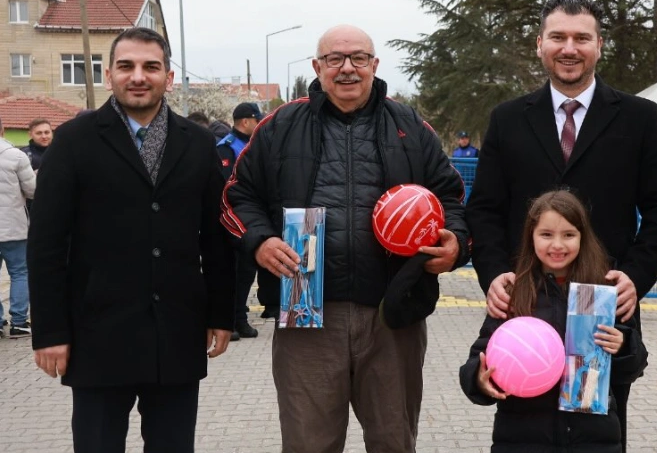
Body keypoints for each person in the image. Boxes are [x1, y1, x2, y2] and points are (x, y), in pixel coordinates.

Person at [220, 24, 470, 453]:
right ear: (317, 68)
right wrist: (260, 242)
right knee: (308, 444)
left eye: (358, 58)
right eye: (334, 59)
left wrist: (456, 243)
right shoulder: (281, 124)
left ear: (375, 64)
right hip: (306, 315)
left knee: (394, 441)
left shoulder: (409, 124)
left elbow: (453, 199)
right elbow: (237, 196)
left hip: (393, 313)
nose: (347, 68)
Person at [465, 0, 657, 452]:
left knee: (598, 434)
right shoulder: (507, 120)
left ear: (599, 45)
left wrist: (635, 279)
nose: (570, 48)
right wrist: (495, 277)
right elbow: (483, 209)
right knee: (521, 425)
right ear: (539, 44)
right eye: (558, 37)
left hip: (602, 306)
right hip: (525, 304)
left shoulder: (641, 118)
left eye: (582, 37)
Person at [27, 27, 235, 453]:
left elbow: (215, 237)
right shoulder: (72, 142)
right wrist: (49, 331)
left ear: (168, 77)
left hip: (176, 333)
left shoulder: (197, 144)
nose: (138, 76)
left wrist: (222, 313)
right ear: (109, 75)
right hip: (96, 335)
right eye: (127, 66)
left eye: (150, 67)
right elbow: (46, 243)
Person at [461, 190, 625, 452]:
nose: (557, 245)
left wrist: (623, 346)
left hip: (592, 439)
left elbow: (634, 364)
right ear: (531, 237)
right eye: (546, 234)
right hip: (522, 437)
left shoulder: (599, 291)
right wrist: (479, 379)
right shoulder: (514, 292)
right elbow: (479, 358)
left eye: (568, 235)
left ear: (583, 237)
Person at [216, 101, 264, 341]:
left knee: (246, 272)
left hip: (250, 220)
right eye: (257, 120)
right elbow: (224, 186)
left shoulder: (254, 146)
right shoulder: (226, 148)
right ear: (245, 122)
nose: (259, 124)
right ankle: (228, 320)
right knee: (231, 272)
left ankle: (241, 318)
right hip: (230, 220)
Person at [0, 116, 36, 339]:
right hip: (13, 226)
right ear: (3, 129)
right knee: (20, 272)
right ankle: (19, 322)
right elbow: (33, 190)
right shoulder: (15, 156)